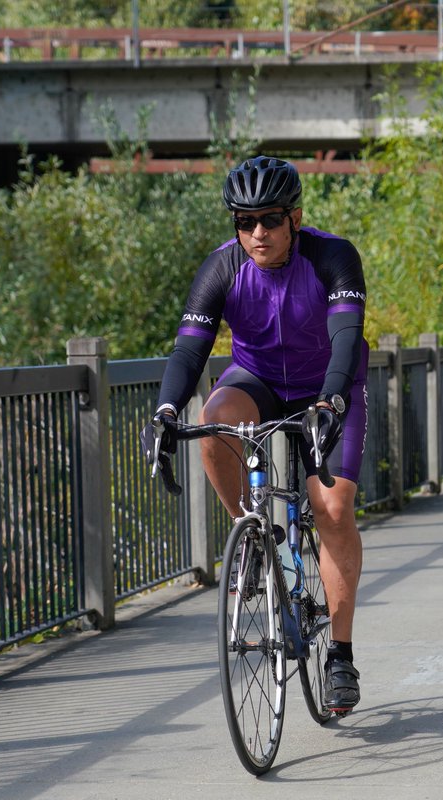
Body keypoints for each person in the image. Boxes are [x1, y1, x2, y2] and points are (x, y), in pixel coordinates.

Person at [143, 155, 367, 714]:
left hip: (329, 381)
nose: (257, 233)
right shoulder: (222, 269)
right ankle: (256, 538)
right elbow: (190, 350)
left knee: (333, 508)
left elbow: (346, 336)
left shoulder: (332, 256)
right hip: (258, 380)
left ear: (295, 217)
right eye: (244, 222)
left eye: (269, 219)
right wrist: (166, 411)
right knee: (211, 425)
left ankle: (339, 654)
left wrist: (332, 398)